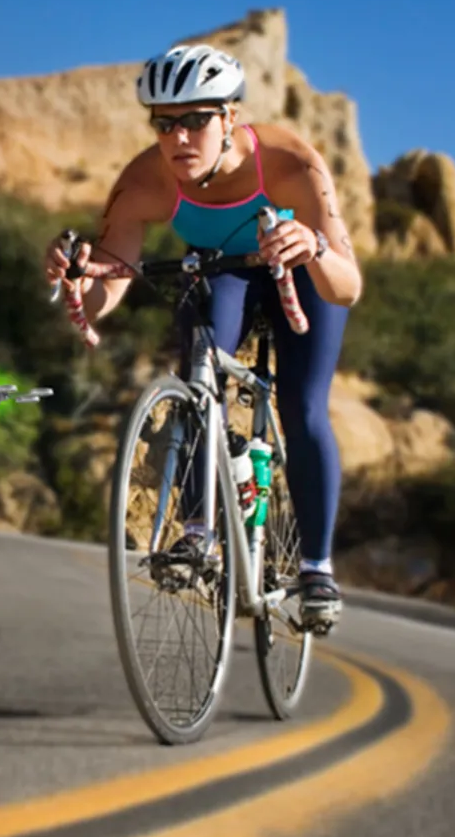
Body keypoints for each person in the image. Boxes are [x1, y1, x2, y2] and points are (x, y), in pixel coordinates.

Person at [41, 42, 362, 629]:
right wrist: (77, 277)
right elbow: (110, 286)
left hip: (300, 265)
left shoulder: (291, 163)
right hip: (222, 267)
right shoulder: (144, 180)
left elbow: (348, 286)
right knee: (200, 369)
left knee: (302, 402)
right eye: (165, 124)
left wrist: (312, 245)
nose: (179, 138)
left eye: (195, 120)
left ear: (229, 118)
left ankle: (316, 568)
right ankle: (197, 534)